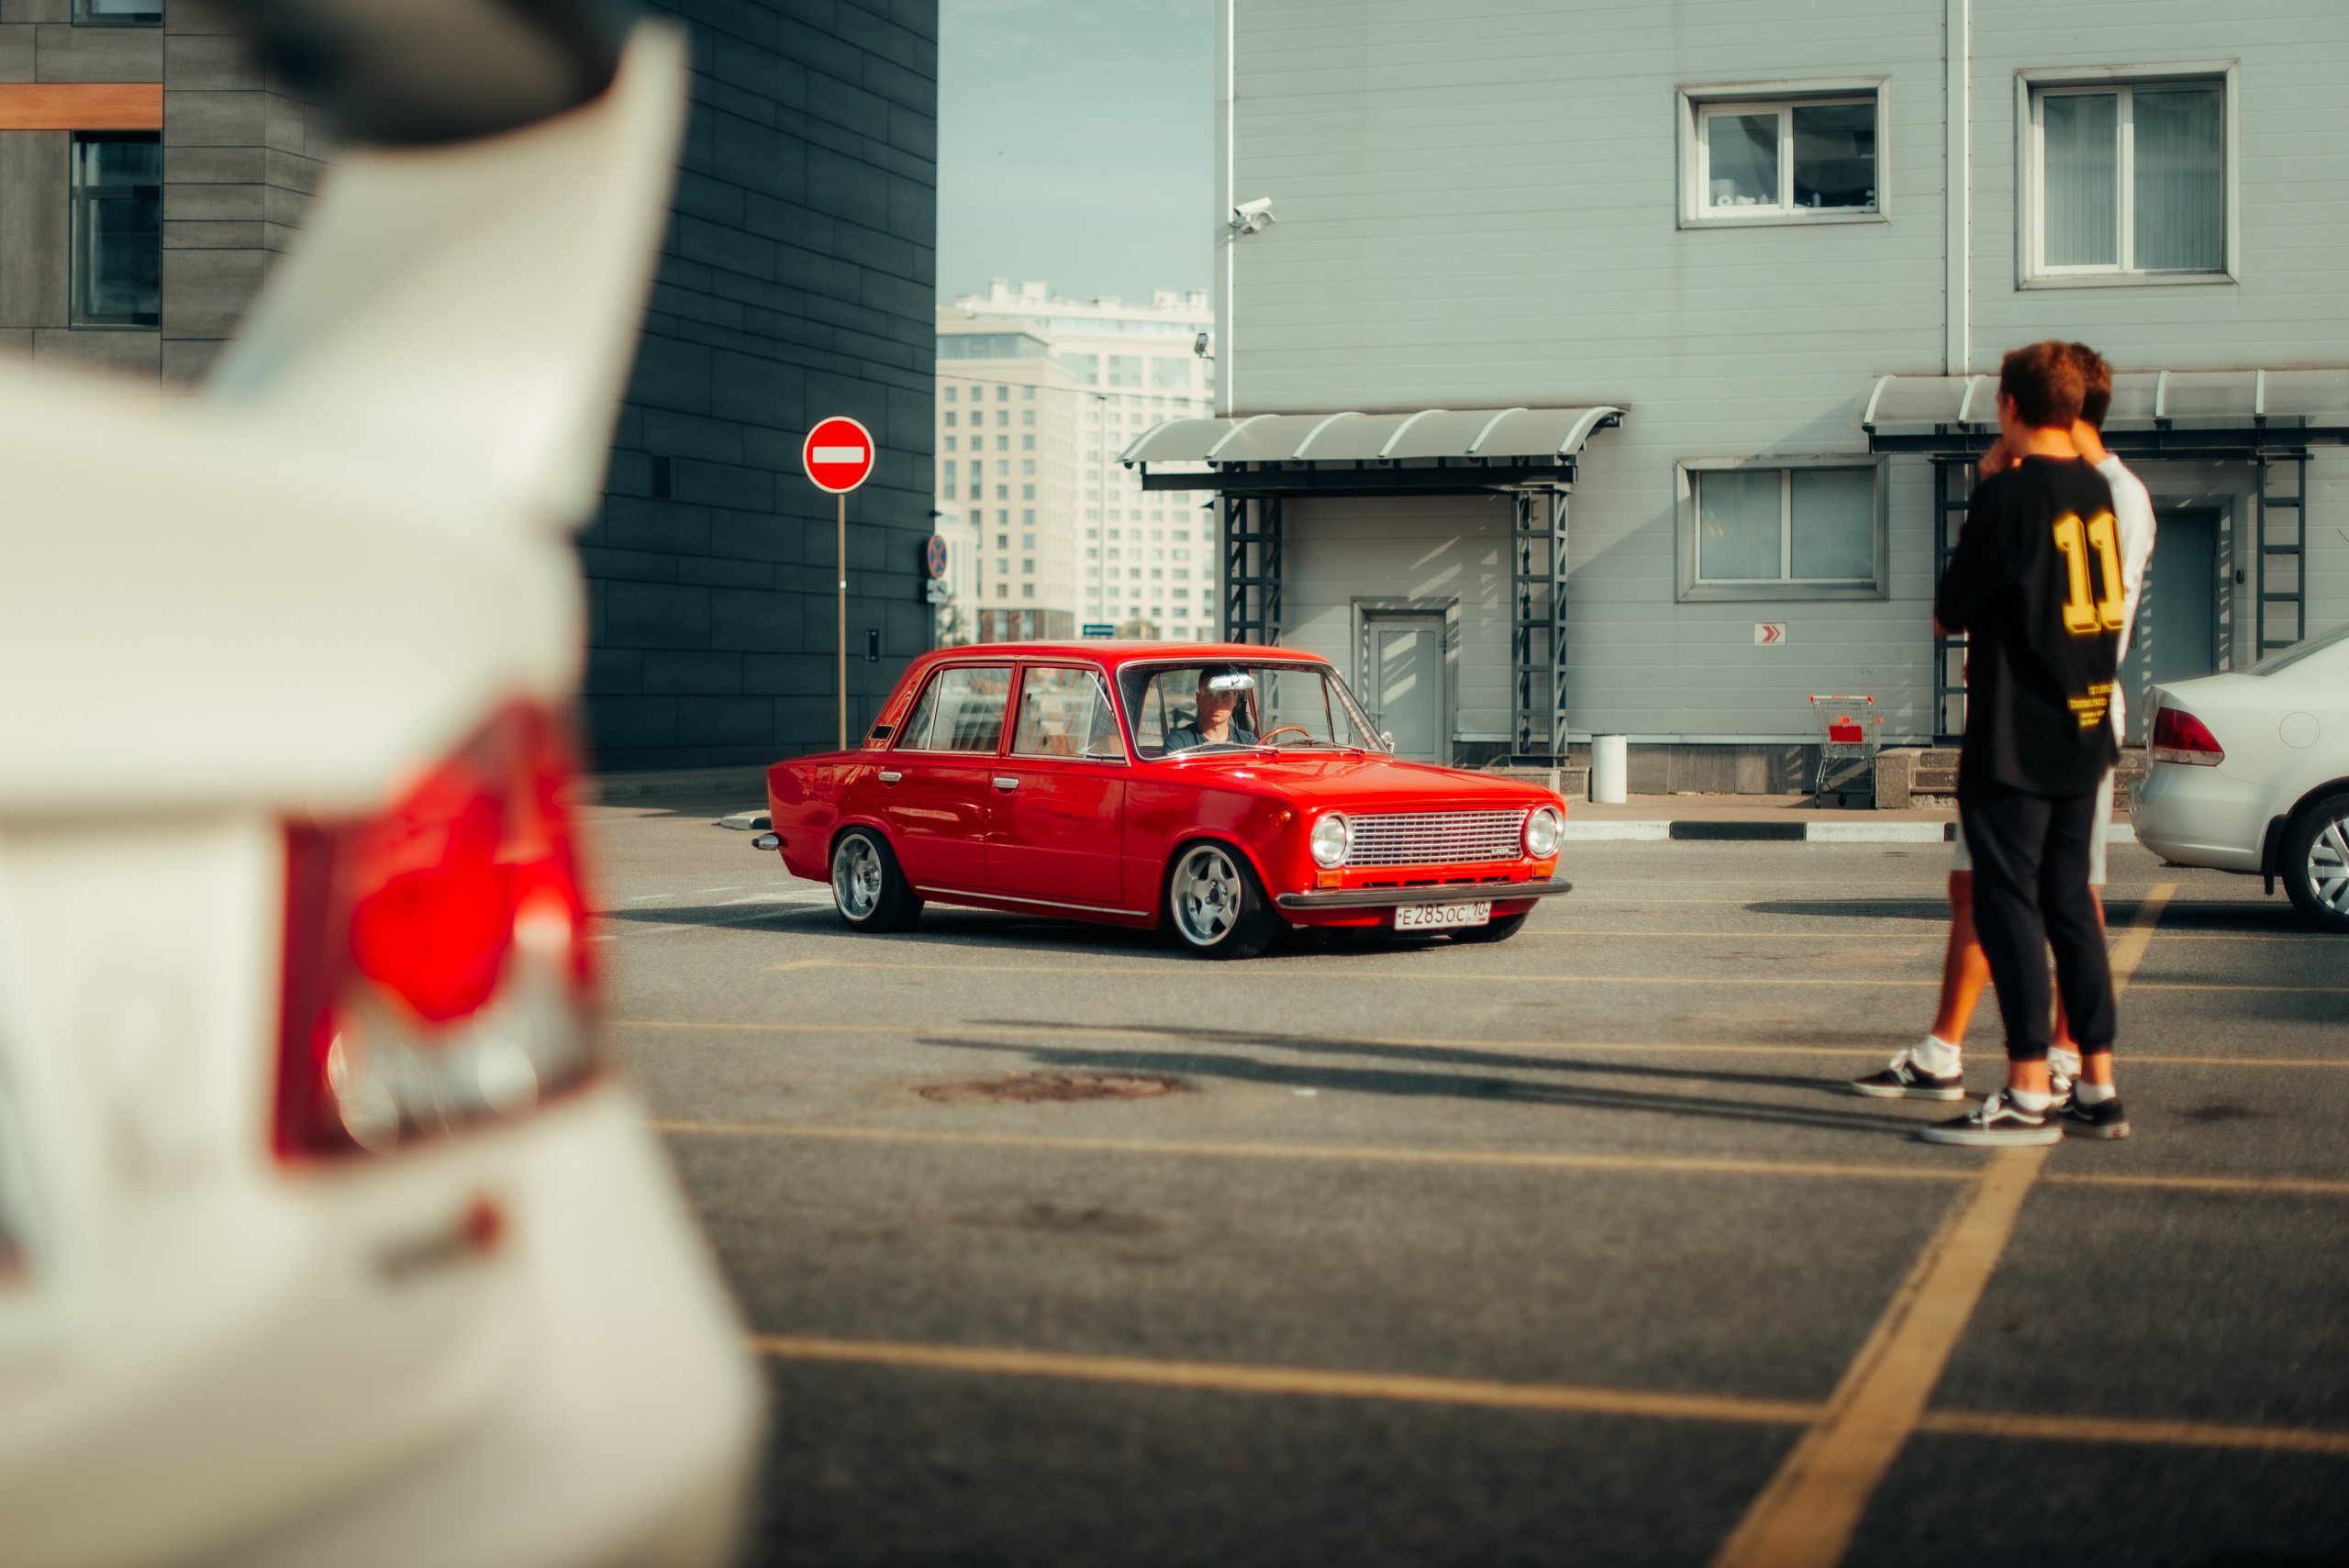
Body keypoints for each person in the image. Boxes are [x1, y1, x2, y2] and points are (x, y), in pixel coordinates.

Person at [1854, 344, 2151, 1143]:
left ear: (2014, 409)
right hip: (2086, 725)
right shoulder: (2100, 490)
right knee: (2071, 906)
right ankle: (2096, 1085)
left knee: (2007, 899)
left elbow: (1950, 608)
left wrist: (1989, 487)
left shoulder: (2011, 496)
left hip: (2018, 731)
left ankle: (2026, 1092)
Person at [1163, 665, 1258, 752]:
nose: (1217, 703)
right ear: (1198, 699)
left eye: (1224, 695)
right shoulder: (1179, 744)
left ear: (1235, 700)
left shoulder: (1248, 743)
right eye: (1210, 695)